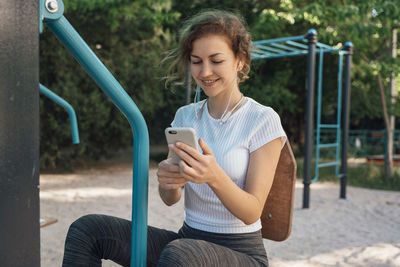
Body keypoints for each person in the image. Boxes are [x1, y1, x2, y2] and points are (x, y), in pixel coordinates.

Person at [62, 9, 286, 267]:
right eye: (196, 61)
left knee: (180, 254)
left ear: (240, 60)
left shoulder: (262, 119)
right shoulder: (186, 116)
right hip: (188, 242)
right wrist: (169, 182)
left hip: (243, 254)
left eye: (216, 60)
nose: (205, 72)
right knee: (88, 230)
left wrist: (214, 176)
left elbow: (252, 212)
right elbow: (170, 200)